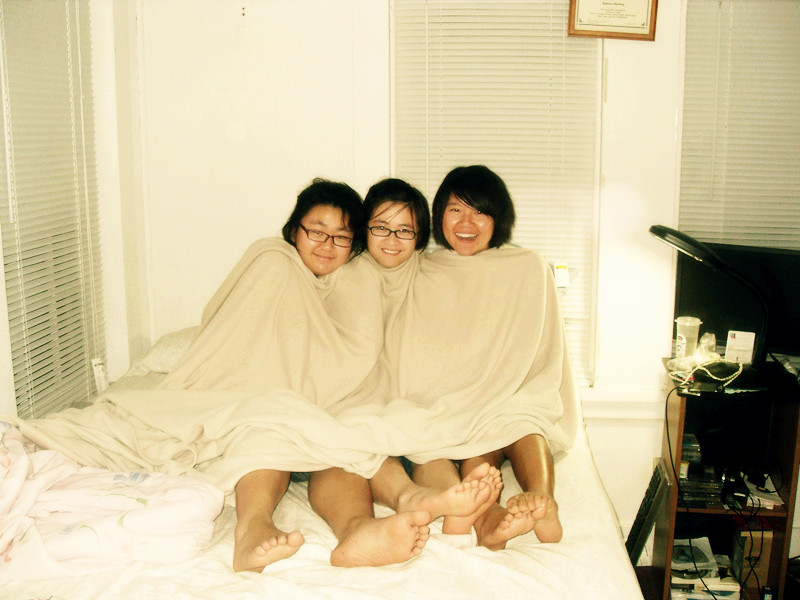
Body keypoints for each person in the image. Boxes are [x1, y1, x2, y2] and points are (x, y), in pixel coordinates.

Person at [400, 165, 565, 549]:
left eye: (480, 212)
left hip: (504, 400)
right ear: (439, 215)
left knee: (523, 420)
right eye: (456, 209)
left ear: (498, 219)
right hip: (442, 405)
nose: (466, 222)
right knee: (425, 444)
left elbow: (543, 352)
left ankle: (543, 501)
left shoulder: (527, 267)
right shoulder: (421, 268)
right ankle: (488, 519)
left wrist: (491, 393)